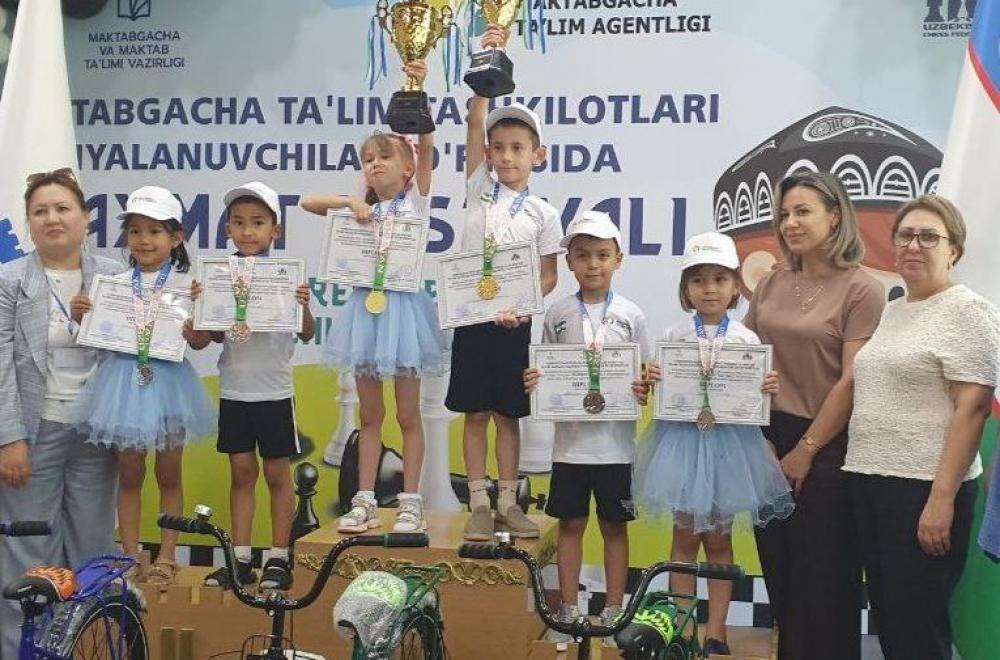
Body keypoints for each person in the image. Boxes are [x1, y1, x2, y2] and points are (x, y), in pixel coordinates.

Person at [845, 195, 999, 660]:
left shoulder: (970, 311)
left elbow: (972, 409)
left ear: (954, 251)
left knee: (919, 628)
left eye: (929, 237)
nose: (914, 245)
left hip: (923, 491)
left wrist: (941, 500)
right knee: (892, 620)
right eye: (906, 235)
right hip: (872, 483)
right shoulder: (895, 308)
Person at [301, 60, 447, 536]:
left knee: (407, 413)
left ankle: (410, 501)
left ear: (408, 169)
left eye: (384, 156)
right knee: (369, 414)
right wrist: (350, 203)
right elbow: (307, 203)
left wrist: (417, 90)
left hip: (404, 315)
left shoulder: (416, 201)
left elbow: (428, 145)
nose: (375, 164)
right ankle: (362, 499)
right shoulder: (359, 210)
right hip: (365, 314)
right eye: (367, 159)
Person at [744, 171, 885, 660]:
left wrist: (805, 450)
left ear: (835, 216)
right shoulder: (770, 283)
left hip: (828, 447)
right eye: (784, 214)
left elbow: (851, 380)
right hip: (764, 442)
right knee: (780, 573)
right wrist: (758, 438)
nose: (790, 223)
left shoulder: (863, 290)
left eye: (803, 211)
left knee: (823, 583)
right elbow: (742, 360)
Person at [635, 232, 792, 656]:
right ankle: (683, 626)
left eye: (720, 279)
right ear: (685, 288)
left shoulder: (745, 339)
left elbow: (755, 396)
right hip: (683, 445)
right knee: (684, 539)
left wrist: (765, 387)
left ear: (736, 286)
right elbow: (658, 389)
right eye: (699, 280)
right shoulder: (674, 334)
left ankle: (717, 630)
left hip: (729, 449)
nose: (709, 289)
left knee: (720, 542)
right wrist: (653, 379)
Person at [446, 25, 562, 541]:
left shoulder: (543, 213)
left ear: (538, 154)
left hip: (514, 324)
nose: (507, 156)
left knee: (508, 416)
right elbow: (475, 120)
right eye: (498, 148)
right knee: (474, 415)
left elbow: (549, 273)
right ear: (488, 155)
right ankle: (477, 501)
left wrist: (523, 306)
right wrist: (491, 62)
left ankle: (510, 502)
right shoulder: (478, 189)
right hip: (472, 319)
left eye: (518, 147)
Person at [0, 168, 122, 657]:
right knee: (29, 554)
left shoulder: (115, 275)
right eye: (40, 211)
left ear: (86, 218)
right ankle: (24, 651)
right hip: (34, 435)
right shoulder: (9, 279)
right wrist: (9, 437)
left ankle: (92, 647)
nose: (52, 218)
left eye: (63, 208)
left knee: (95, 549)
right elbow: (1, 364)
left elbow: (132, 350)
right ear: (29, 223)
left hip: (98, 432)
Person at [68, 186, 215, 586]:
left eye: (154, 231)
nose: (143, 240)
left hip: (171, 385)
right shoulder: (112, 284)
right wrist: (84, 317)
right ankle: (130, 557)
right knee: (129, 475)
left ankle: (167, 555)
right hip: (121, 384)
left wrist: (197, 325)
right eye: (135, 231)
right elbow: (99, 336)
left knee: (169, 473)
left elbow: (200, 342)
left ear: (176, 237)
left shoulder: (189, 285)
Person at [523, 211, 648, 647]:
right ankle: (568, 610)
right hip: (570, 449)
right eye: (582, 255)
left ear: (618, 259)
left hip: (616, 449)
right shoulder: (558, 313)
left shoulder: (632, 314)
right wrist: (537, 381)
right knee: (570, 527)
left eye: (602, 255)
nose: (593, 264)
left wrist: (644, 386)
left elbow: (643, 377)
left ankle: (613, 612)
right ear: (569, 262)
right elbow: (548, 371)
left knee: (615, 528)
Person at [198, 181, 315, 591]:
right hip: (235, 391)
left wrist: (303, 305)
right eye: (239, 223)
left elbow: (307, 333)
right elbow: (208, 337)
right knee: (241, 473)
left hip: (274, 393)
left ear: (274, 231)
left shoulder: (286, 276)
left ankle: (279, 558)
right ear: (227, 229)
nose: (248, 231)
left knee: (277, 475)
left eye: (258, 222)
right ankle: (241, 559)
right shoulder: (218, 275)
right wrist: (203, 304)